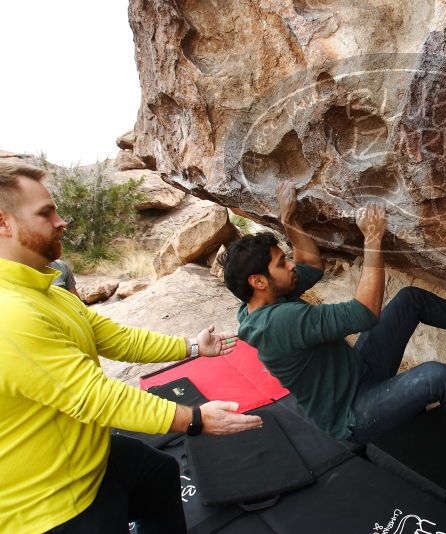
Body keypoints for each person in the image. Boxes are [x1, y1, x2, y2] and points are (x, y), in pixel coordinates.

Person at [0, 161, 263, 534]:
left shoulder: (43, 291)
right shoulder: (10, 315)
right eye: (46, 213)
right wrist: (195, 419)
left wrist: (191, 347)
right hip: (50, 502)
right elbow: (95, 396)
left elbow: (115, 338)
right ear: (3, 222)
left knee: (158, 473)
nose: (62, 221)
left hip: (88, 457)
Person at [221, 181, 446, 448]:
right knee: (435, 376)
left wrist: (289, 219)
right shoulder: (279, 323)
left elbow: (311, 263)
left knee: (409, 300)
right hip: (354, 414)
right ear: (258, 281)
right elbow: (364, 313)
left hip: (360, 371)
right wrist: (373, 238)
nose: (291, 264)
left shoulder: (262, 301)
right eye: (282, 263)